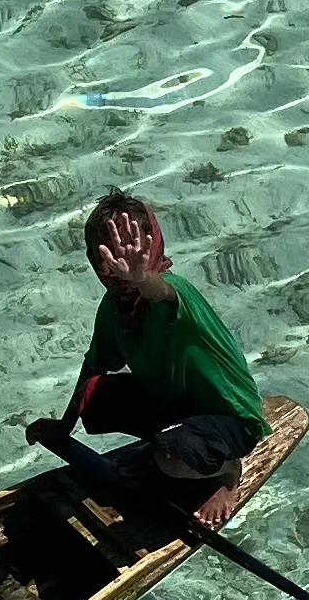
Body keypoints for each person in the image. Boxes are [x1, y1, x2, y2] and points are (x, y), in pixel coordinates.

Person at [33, 190, 269, 485]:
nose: (115, 266)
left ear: (150, 247)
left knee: (171, 458)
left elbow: (160, 292)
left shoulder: (175, 290)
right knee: (93, 399)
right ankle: (168, 443)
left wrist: (141, 277)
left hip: (231, 418)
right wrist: (63, 427)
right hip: (177, 405)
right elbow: (94, 365)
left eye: (128, 250)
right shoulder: (113, 308)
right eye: (106, 254)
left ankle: (227, 470)